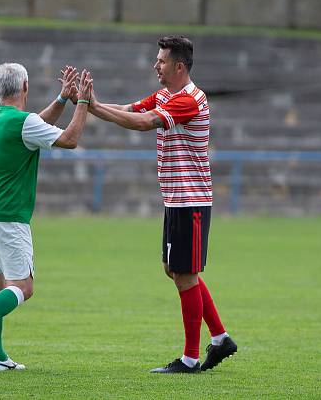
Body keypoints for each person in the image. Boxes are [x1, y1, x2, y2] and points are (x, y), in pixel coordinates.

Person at [87, 36, 237, 373]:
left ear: (179, 67)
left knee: (185, 274)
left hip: (191, 202)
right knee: (176, 270)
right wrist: (92, 104)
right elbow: (130, 110)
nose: (156, 66)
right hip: (176, 200)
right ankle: (220, 338)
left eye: (161, 61)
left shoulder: (188, 101)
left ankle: (190, 358)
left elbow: (143, 123)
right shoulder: (167, 95)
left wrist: (90, 107)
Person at [0, 63, 93, 372]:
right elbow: (69, 140)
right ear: (25, 86)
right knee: (23, 287)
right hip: (7, 216)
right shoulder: (23, 122)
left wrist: (60, 99)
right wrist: (82, 101)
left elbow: (35, 126)